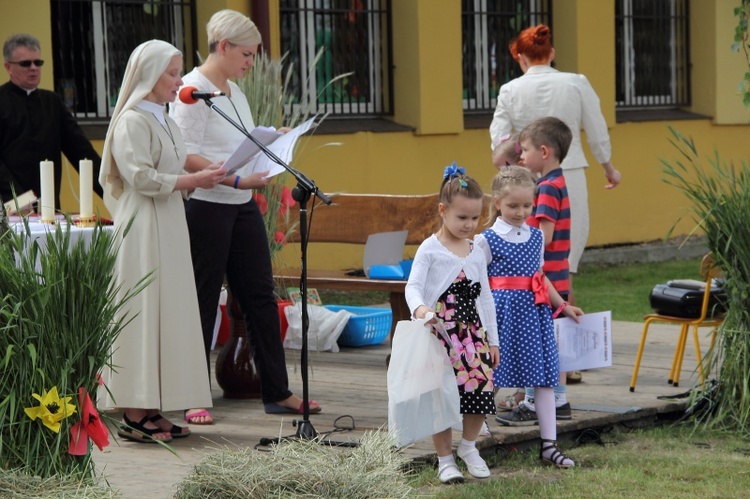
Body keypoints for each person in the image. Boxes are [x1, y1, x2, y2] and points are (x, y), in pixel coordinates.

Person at [170, 9, 318, 424]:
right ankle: (193, 393)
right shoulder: (192, 90)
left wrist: (272, 141)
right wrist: (232, 176)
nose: (252, 63)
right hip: (207, 207)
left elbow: (240, 140)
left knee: (259, 297)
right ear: (223, 47)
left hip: (241, 206)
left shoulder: (234, 92)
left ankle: (277, 390)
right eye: (248, 54)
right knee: (202, 300)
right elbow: (183, 153)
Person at [97, 39, 227, 443]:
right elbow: (141, 178)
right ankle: (135, 413)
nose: (179, 80)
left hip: (169, 221)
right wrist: (193, 181)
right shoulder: (132, 120)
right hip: (142, 225)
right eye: (173, 73)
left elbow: (172, 170)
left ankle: (154, 408)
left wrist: (208, 175)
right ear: (150, 76)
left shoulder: (166, 119)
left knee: (167, 311)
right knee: (143, 311)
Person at [489, 24, 622, 310]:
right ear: (552, 53)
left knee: (529, 252)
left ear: (521, 58)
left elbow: (498, 138)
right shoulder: (576, 82)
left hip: (522, 179)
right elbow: (597, 129)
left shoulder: (510, 89)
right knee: (565, 255)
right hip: (568, 172)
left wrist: (511, 168)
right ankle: (566, 325)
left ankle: (546, 320)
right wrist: (609, 167)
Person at [475, 165, 583, 469]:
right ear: (497, 203)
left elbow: (540, 277)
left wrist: (562, 305)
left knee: (544, 377)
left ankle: (549, 445)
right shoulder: (487, 240)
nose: (521, 212)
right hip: (501, 315)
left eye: (527, 205)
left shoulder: (536, 237)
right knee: (491, 374)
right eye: (513, 206)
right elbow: (476, 280)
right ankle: (476, 436)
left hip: (534, 314)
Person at [404, 164, 499, 484]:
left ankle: (469, 447)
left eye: (475, 219)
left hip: (471, 336)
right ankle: (445, 459)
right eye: (462, 218)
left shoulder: (476, 251)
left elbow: (485, 298)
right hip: (439, 334)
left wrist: (493, 340)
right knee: (440, 396)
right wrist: (419, 309)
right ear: (443, 211)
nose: (469, 225)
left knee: (481, 388)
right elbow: (413, 286)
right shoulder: (430, 249)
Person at [496, 117, 574, 425]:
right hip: (556, 276)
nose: (521, 156)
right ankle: (555, 398)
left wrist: (515, 237)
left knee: (539, 341)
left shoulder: (547, 187)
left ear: (544, 151)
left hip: (544, 279)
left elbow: (544, 235)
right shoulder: (557, 182)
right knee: (551, 341)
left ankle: (540, 401)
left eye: (524, 149)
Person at [1, 33, 103, 207]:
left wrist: (111, 190)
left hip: (49, 207)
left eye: (37, 62)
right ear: (8, 67)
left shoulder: (53, 102)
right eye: (26, 63)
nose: (33, 68)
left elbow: (81, 150)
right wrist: (17, 199)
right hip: (8, 205)